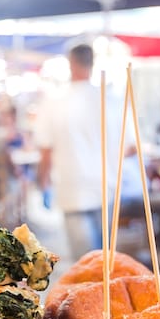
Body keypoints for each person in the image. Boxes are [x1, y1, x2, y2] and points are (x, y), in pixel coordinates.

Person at [34, 43, 132, 262]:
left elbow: (45, 150)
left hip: (73, 186)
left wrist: (43, 183)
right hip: (107, 186)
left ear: (71, 63)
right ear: (92, 62)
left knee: (85, 262)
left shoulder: (54, 102)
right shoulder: (112, 100)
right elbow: (130, 147)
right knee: (106, 259)